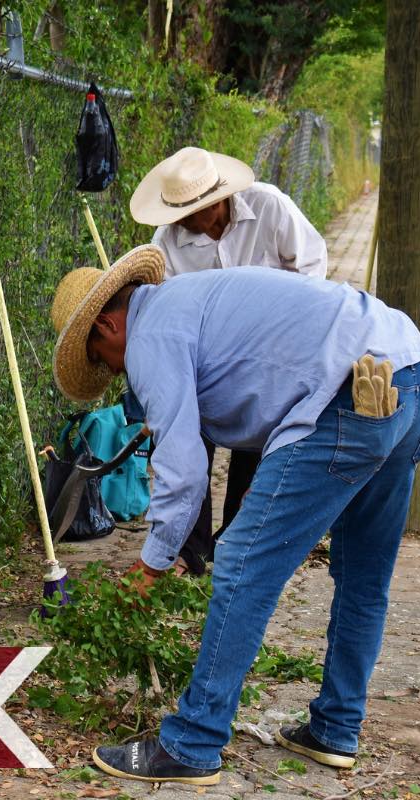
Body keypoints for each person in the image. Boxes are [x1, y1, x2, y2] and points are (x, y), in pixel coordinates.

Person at [48, 246, 420, 784]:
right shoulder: (187, 300)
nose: (114, 374)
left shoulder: (151, 338)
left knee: (240, 566)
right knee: (364, 575)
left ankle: (192, 743)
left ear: (109, 326)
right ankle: (336, 729)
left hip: (344, 398)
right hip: (409, 377)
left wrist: (151, 566)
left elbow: (183, 473)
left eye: (102, 361)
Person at [129, 146, 329, 574]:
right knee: (186, 442)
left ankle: (237, 546)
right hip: (208, 365)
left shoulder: (270, 206)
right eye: (176, 213)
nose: (181, 221)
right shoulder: (166, 244)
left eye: (190, 213)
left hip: (275, 352)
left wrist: (289, 327)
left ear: (216, 202)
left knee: (256, 449)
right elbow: (166, 319)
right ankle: (188, 550)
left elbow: (312, 263)